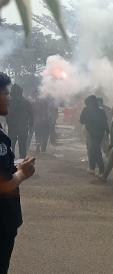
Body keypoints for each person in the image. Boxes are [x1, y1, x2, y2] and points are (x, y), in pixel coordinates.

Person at [0, 73, 36, 273]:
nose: (10, 98)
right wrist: (24, 172)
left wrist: (13, 164)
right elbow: (3, 185)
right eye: (5, 93)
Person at [80, 95, 109, 176]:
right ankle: (92, 168)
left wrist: (88, 121)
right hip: (100, 133)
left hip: (91, 133)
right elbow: (105, 122)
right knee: (93, 150)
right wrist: (107, 132)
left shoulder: (86, 110)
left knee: (94, 150)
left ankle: (101, 170)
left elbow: (81, 121)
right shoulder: (101, 110)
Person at [6, 84, 33, 159]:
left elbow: (6, 114)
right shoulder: (26, 102)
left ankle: (11, 161)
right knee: (22, 146)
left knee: (11, 146)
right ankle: (22, 161)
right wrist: (30, 124)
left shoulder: (9, 102)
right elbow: (31, 114)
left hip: (13, 127)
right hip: (22, 127)